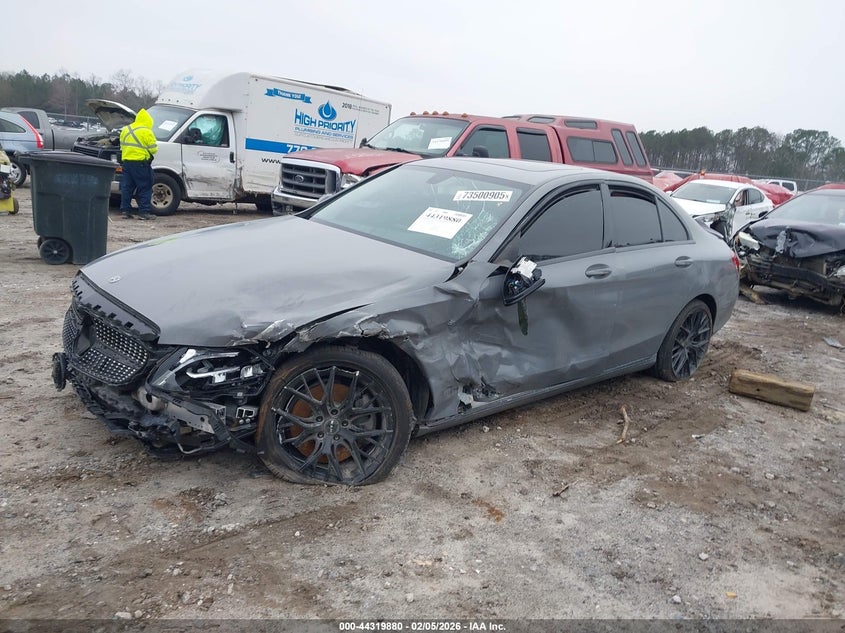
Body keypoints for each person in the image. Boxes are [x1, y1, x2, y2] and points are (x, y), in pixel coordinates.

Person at [119, 109, 158, 220]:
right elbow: (154, 149)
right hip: (140, 163)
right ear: (148, 121)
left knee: (127, 187)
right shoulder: (146, 131)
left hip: (126, 163)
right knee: (145, 187)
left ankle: (125, 211)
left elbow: (121, 146)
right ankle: (144, 212)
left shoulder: (126, 129)